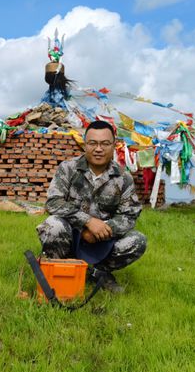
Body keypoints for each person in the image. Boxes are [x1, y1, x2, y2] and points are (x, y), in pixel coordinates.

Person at [36, 120, 147, 292]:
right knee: (53, 225)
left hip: (102, 241)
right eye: (93, 143)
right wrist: (87, 222)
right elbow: (53, 202)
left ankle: (100, 271)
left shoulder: (123, 178)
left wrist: (101, 230)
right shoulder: (68, 169)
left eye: (105, 143)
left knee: (137, 241)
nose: (98, 149)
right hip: (70, 236)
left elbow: (129, 214)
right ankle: (63, 268)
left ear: (114, 145)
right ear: (85, 144)